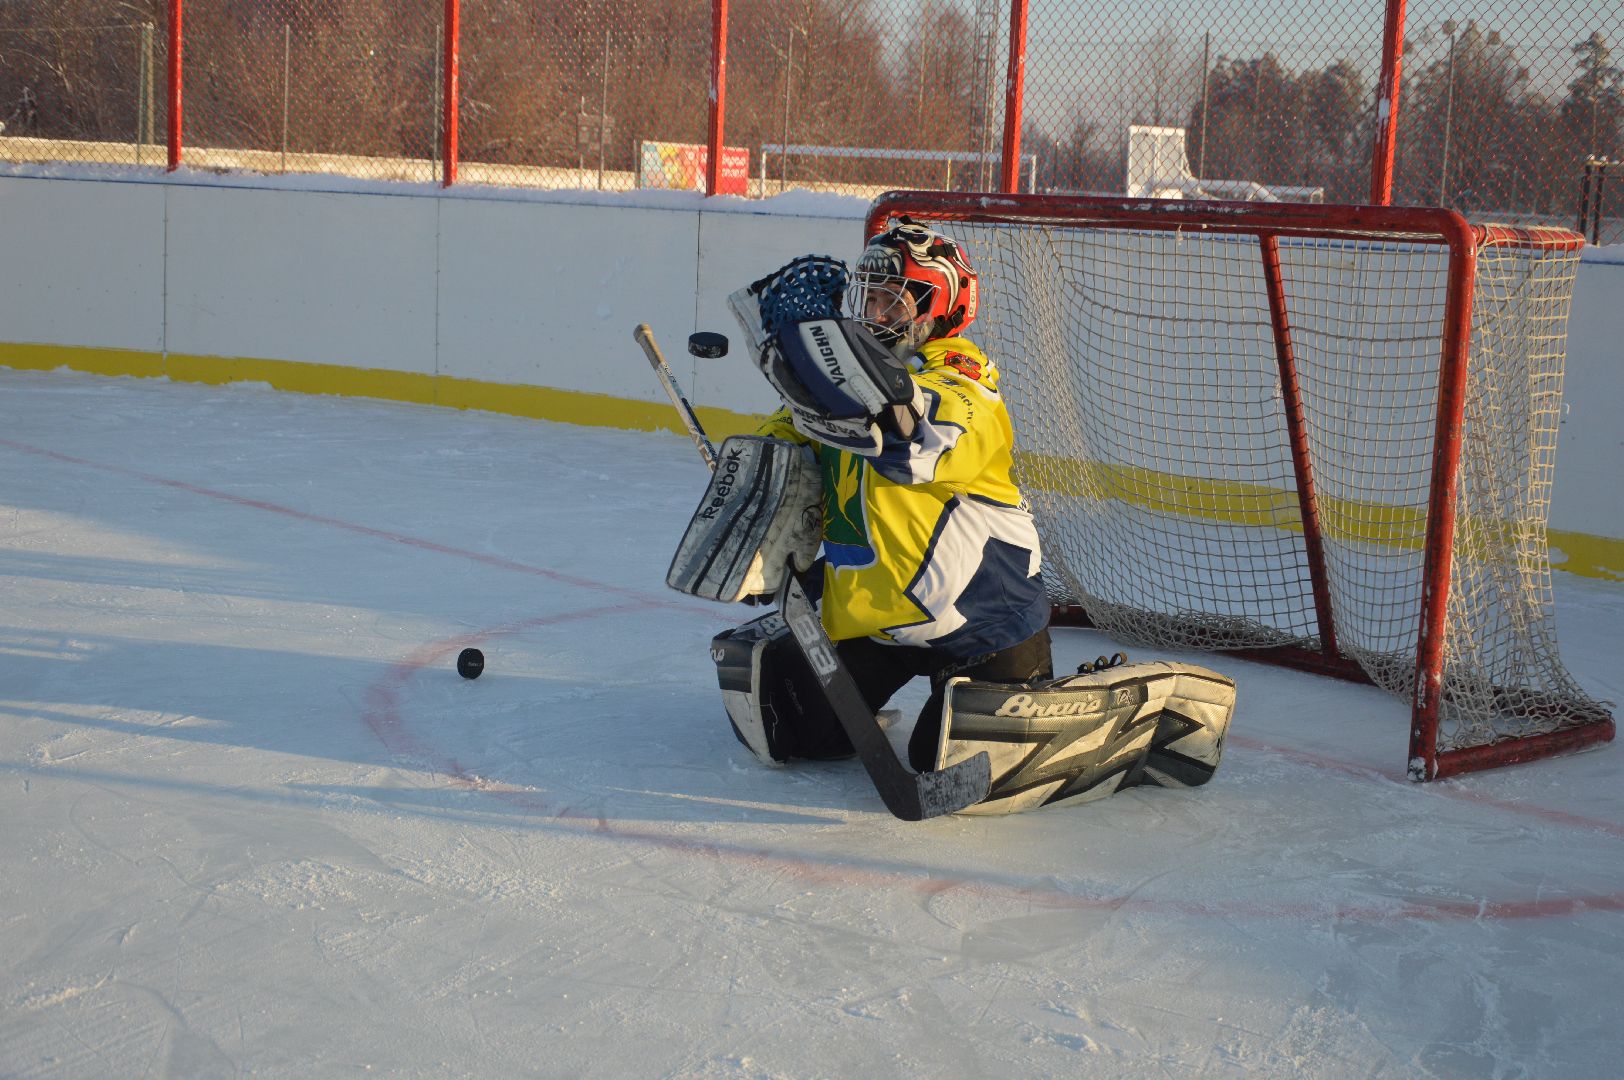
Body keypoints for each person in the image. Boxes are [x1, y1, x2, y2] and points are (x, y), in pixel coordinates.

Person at [748, 220, 1053, 772]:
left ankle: (1059, 698)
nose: (870, 316)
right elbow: (780, 443)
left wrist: (826, 369)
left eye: (888, 303)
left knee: (944, 760)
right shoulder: (842, 389)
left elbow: (918, 441)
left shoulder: (965, 383)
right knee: (791, 722)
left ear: (937, 308)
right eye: (863, 300)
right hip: (877, 625)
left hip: (982, 621)